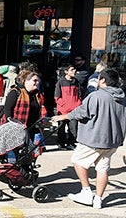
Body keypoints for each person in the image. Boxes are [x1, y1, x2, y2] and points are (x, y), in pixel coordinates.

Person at [52, 69, 126, 209]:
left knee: (77, 161)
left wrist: (63, 116)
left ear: (103, 80)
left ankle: (86, 191)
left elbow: (81, 112)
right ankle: (98, 199)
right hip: (113, 140)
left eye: (99, 78)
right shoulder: (122, 98)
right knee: (102, 168)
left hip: (94, 138)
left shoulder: (96, 96)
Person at [3, 69, 45, 139]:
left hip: (32, 128)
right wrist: (10, 125)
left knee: (31, 149)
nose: (37, 83)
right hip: (16, 129)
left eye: (38, 81)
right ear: (26, 80)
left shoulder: (37, 94)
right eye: (34, 80)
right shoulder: (15, 92)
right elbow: (7, 110)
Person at [54, 64, 82, 150]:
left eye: (74, 69)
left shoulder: (76, 81)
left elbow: (80, 94)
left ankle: (71, 143)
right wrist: (65, 105)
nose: (74, 71)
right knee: (61, 128)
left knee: (73, 128)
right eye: (72, 69)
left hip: (74, 110)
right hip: (63, 110)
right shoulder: (60, 82)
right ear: (66, 71)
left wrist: (78, 104)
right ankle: (61, 144)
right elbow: (57, 97)